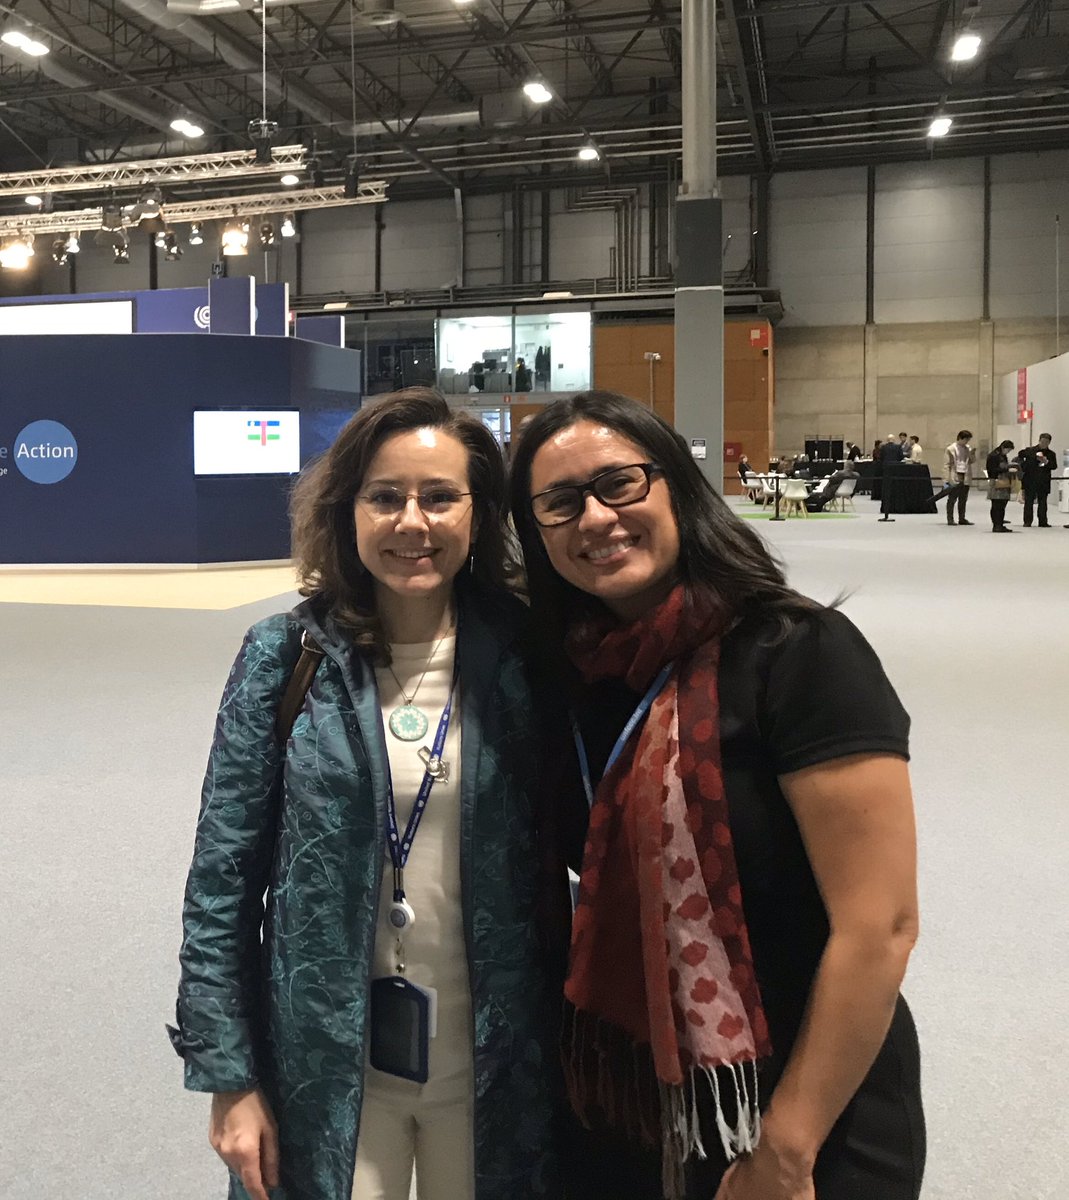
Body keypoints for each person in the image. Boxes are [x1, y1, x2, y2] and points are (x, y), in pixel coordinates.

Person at [509, 391, 924, 1200]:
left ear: (675, 488)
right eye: (559, 502)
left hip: (804, 1100)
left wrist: (787, 1148)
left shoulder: (796, 654)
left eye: (619, 484)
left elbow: (881, 926)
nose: (595, 518)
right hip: (625, 1093)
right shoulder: (568, 674)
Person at [170, 390, 561, 1200]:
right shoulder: (285, 657)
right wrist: (228, 1078)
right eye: (385, 496)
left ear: (479, 513)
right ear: (346, 510)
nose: (411, 522)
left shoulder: (530, 656)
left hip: (496, 1060)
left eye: (440, 496)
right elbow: (222, 880)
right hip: (327, 1063)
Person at [1017, 433, 1056, 527]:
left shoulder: (1051, 454)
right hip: (1030, 480)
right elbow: (1020, 454)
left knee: (1043, 503)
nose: (1044, 443)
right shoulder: (1030, 450)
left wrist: (1046, 462)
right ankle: (1027, 521)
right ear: (1039, 441)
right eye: (1042, 441)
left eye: (1046, 442)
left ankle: (1043, 521)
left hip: (1043, 481)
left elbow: (1054, 466)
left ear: (1049, 442)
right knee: (1028, 502)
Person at [942, 430, 976, 526]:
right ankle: (950, 518)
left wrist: (972, 454)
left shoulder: (968, 448)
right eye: (966, 440)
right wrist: (945, 480)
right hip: (955, 474)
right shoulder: (951, 449)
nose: (967, 442)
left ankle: (962, 518)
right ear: (960, 438)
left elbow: (972, 461)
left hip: (965, 474)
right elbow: (946, 465)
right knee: (952, 498)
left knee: (963, 498)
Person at [985, 439, 1017, 532]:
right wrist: (1007, 469)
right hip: (997, 481)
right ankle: (997, 525)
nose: (1008, 452)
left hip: (1003, 481)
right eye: (1008, 450)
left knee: (1001, 504)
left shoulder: (1001, 455)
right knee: (997, 504)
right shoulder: (994, 456)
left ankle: (999, 523)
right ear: (1003, 447)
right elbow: (992, 469)